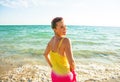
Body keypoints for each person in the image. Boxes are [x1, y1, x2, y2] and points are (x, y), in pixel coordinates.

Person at [44, 17, 76, 82]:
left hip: (54, 75)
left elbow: (45, 54)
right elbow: (71, 62)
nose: (65, 29)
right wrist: (72, 71)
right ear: (55, 29)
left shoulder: (51, 40)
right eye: (61, 27)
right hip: (65, 77)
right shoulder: (66, 41)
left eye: (65, 26)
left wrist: (52, 67)